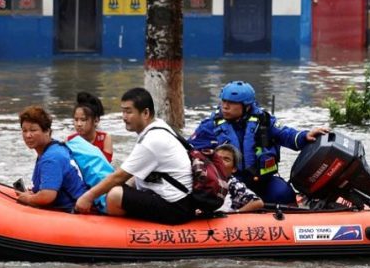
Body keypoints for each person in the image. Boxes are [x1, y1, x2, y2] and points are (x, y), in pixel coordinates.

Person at [189, 81, 329, 205]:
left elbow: (285, 135)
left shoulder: (264, 121)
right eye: (223, 101)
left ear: (247, 106)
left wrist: (305, 136)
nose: (225, 107)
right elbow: (191, 151)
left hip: (262, 181)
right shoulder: (209, 126)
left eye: (231, 103)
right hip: (228, 182)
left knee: (284, 193)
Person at [74, 87, 195, 225]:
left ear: (145, 113)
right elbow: (133, 174)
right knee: (120, 188)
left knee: (114, 195)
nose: (124, 117)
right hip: (178, 198)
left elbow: (119, 176)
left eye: (129, 111)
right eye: (123, 111)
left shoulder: (152, 140)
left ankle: (123, 232)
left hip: (176, 206)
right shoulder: (158, 127)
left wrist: (88, 197)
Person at [18, 105, 88, 211]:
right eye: (24, 130)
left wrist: (28, 199)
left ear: (47, 131)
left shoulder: (51, 158)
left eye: (33, 130)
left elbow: (47, 196)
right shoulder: (53, 148)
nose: (28, 135)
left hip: (73, 211)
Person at [213, 144, 264, 213]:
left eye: (226, 159)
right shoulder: (202, 179)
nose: (220, 162)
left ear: (234, 169)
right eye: (218, 158)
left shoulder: (234, 185)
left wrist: (236, 212)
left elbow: (258, 202)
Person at [67, 91, 113, 162]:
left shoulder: (105, 139)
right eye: (76, 120)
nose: (79, 124)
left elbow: (105, 165)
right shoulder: (70, 140)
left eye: (83, 120)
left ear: (96, 121)